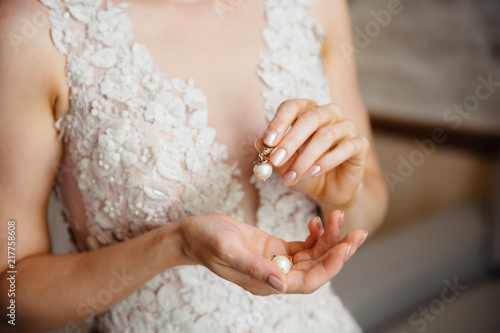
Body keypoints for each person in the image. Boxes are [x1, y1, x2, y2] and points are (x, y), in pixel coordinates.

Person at [0, 0, 388, 331]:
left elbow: (367, 209)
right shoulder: (33, 32)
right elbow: (10, 299)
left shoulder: (315, 6)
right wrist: (174, 245)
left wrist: (341, 198)